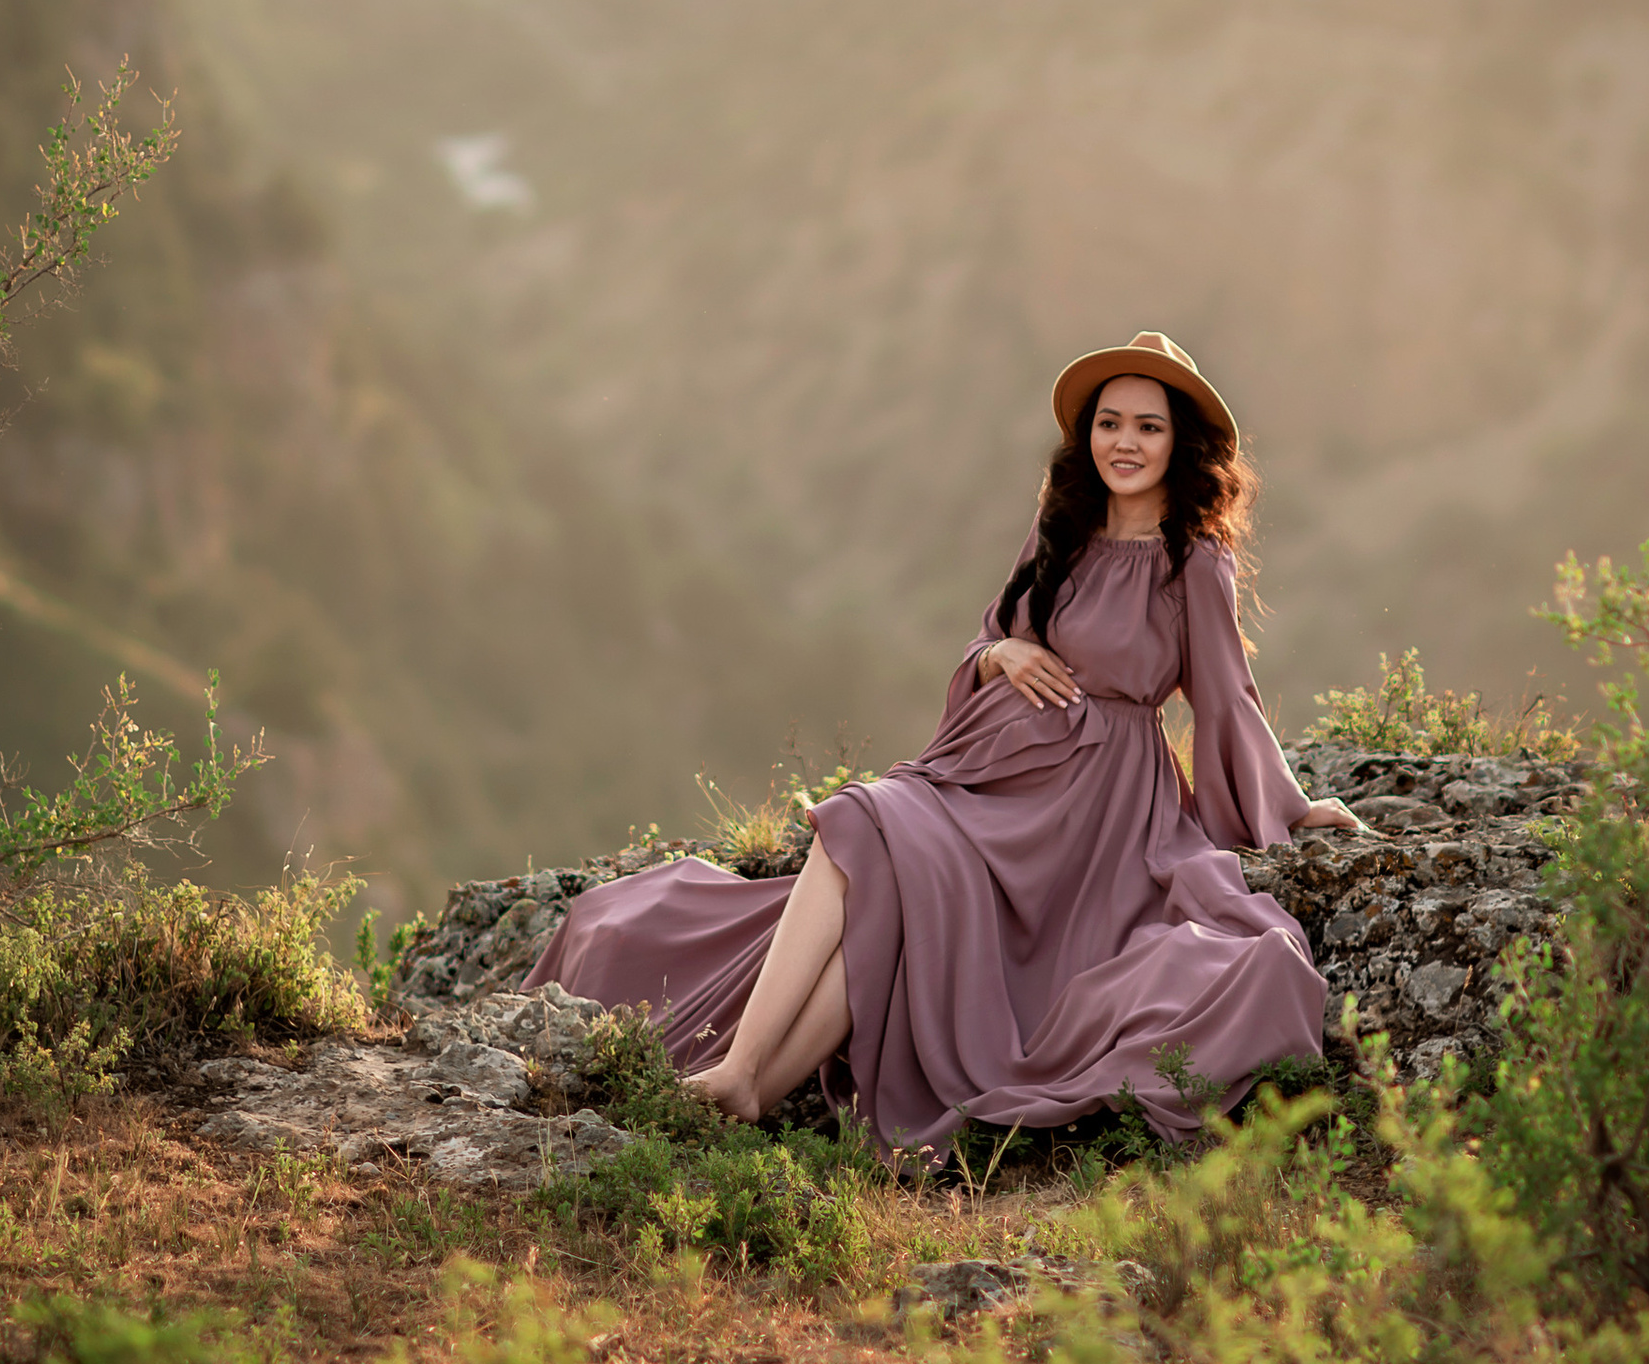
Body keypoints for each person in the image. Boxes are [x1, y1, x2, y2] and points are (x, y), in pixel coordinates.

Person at [523, 329, 1368, 1155]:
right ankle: (745, 1077)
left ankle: (747, 1074)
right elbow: (988, 635)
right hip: (990, 772)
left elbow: (1227, 701)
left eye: (1149, 426)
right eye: (1111, 421)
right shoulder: (1062, 528)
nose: (1125, 442)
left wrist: (1287, 806)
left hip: (1090, 815)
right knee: (866, 839)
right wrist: (1000, 654)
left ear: (1179, 444)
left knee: (880, 853)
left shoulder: (1197, 563)